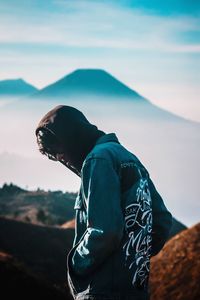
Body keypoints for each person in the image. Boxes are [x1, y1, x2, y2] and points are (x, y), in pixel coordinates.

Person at [35, 105, 173, 300]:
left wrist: (75, 264)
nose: (59, 158)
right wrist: (133, 258)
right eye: (51, 156)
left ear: (71, 138)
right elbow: (162, 220)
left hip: (102, 291)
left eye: (56, 150)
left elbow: (105, 232)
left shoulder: (98, 159)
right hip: (135, 291)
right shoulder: (127, 157)